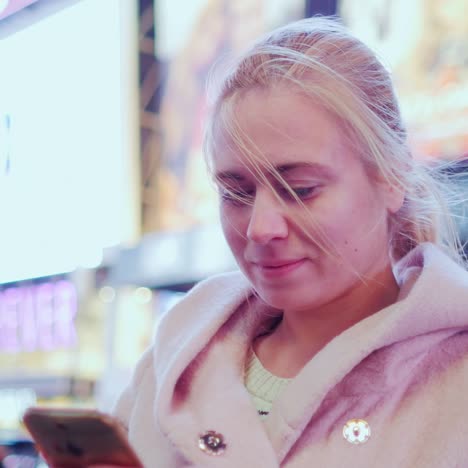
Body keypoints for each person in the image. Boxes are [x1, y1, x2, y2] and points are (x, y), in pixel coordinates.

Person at [111, 16, 468, 467]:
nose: (261, 228)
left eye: (300, 189)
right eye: (237, 192)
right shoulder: (173, 358)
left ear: (391, 176)